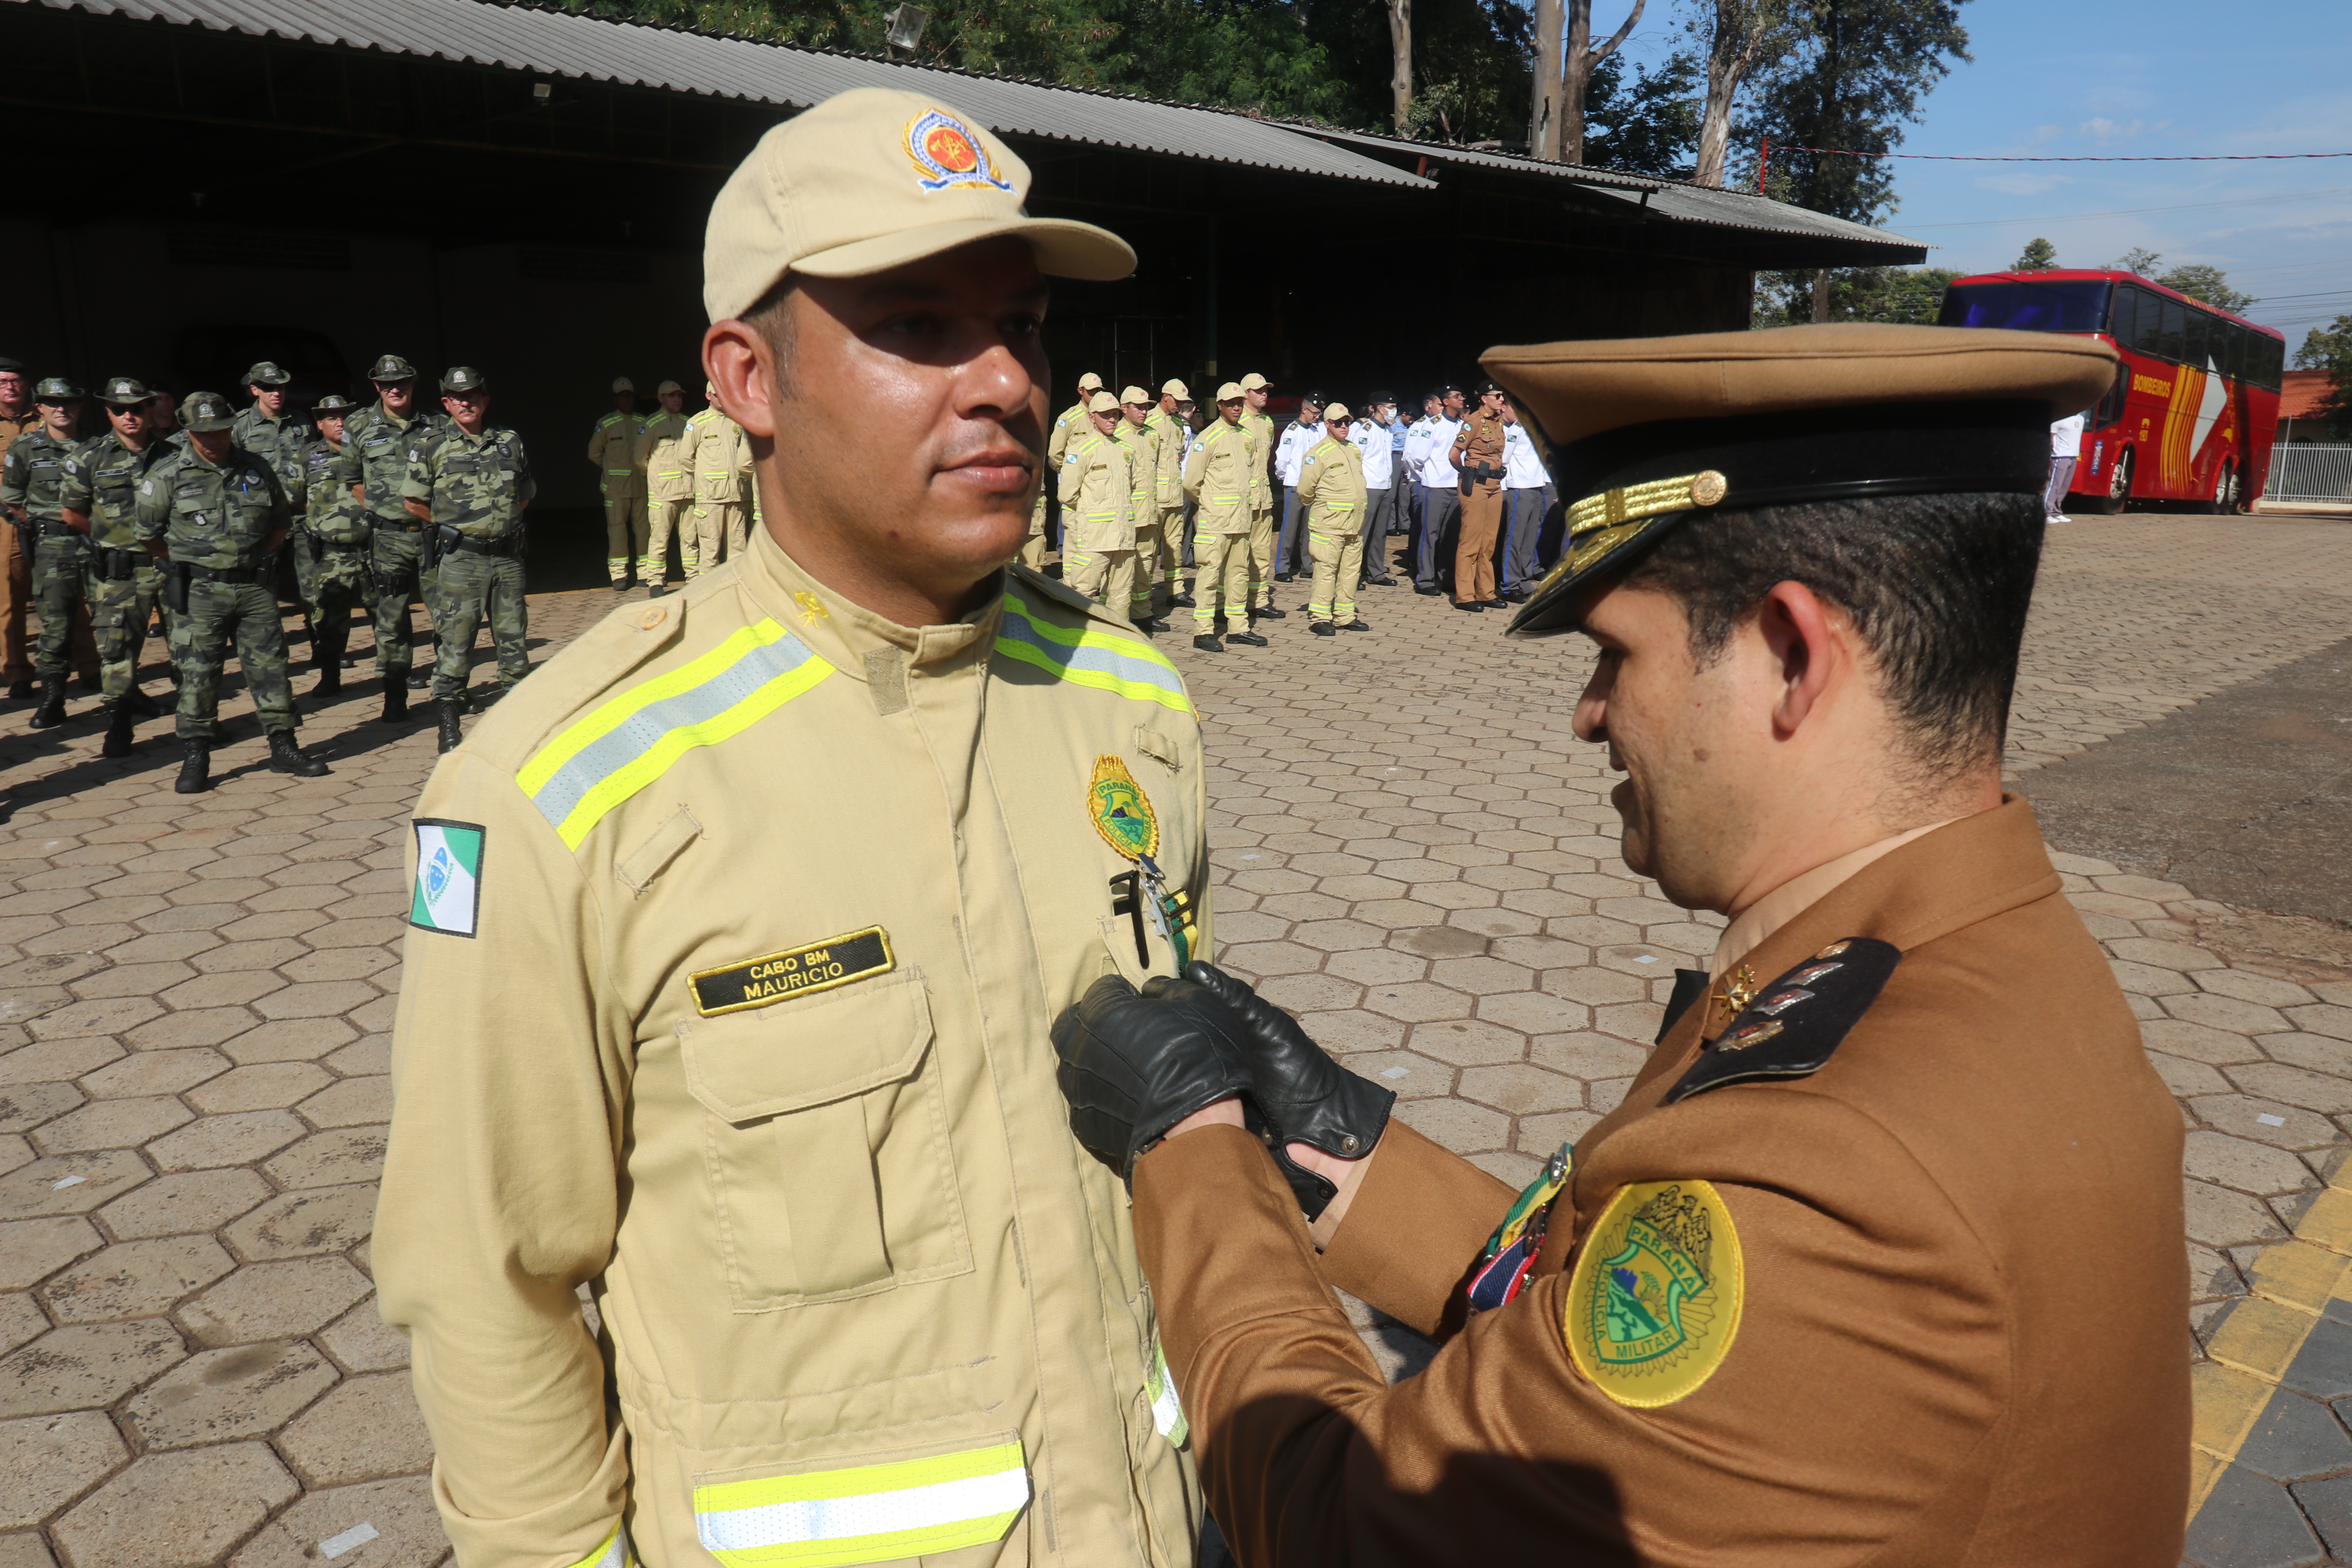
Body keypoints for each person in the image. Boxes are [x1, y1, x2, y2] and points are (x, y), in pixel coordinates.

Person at [1048, 322, 2188, 1567]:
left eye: (1613, 653)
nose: (1588, 716)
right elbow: (1608, 1326)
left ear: (1791, 655)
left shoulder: (1836, 1168)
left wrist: (1191, 1150)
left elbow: (1354, 1529)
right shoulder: (1951, 964)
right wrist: (1347, 1157)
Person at [374, 85, 1209, 1568]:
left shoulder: (1124, 697)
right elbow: (484, 1274)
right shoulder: (562, 792)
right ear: (747, 379)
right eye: (918, 325)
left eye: (1021, 324)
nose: (1007, 381)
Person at [133, 390, 328, 792]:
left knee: (271, 668)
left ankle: (283, 745)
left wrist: (254, 558)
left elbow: (279, 523)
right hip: (200, 590)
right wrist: (189, 562)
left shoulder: (255, 468)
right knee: (199, 674)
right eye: (203, 433)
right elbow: (148, 536)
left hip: (254, 587)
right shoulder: (168, 475)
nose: (213, 439)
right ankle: (196, 754)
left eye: (220, 430)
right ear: (188, 432)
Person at [404, 367, 535, 753]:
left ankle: (521, 724)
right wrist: (455, 526)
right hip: (463, 561)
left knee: (513, 640)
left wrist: (499, 523)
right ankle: (448, 722)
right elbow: (413, 500)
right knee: (457, 641)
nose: (467, 402)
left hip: (508, 559)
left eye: (474, 395)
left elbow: (525, 493)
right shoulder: (431, 445)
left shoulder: (509, 442)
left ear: (485, 400)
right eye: (457, 397)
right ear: (446, 403)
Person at [57, 376, 172, 756]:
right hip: (122, 571)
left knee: (191, 646)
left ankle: (198, 722)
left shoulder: (174, 456)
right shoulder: (89, 458)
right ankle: (120, 726)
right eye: (120, 410)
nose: (129, 416)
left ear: (149, 409)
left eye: (137, 408)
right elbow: (72, 514)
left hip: (171, 567)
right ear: (108, 413)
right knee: (118, 650)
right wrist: (112, 539)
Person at [339, 353, 448, 717]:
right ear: (377, 387)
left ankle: (449, 690)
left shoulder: (437, 423)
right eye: (387, 385)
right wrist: (382, 509)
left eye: (401, 383)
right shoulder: (358, 425)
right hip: (388, 540)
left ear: (413, 384)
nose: (394, 390)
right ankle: (395, 695)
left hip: (434, 536)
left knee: (447, 615)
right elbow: (352, 480)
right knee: (392, 619)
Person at [0, 377, 96, 730]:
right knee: (54, 624)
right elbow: (12, 497)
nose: (62, 408)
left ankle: (119, 691)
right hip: (52, 546)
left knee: (108, 619)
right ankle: (55, 697)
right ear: (39, 407)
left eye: (69, 402)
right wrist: (40, 525)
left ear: (79, 406)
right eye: (53, 403)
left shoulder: (97, 446)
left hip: (93, 543)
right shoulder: (26, 448)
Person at [285, 394, 374, 695]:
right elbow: (294, 498)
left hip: (373, 547)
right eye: (332, 418)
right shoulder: (307, 458)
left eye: (345, 416)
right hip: (332, 553)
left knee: (387, 613)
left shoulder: (370, 452)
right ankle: (331, 676)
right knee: (329, 618)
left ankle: (395, 677)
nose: (340, 422)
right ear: (319, 424)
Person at [1184, 382, 1265, 653]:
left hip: (1241, 521)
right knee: (1208, 577)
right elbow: (1191, 484)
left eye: (1240, 403)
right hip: (1215, 522)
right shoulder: (1207, 438)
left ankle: (1238, 628)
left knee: (1239, 574)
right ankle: (1203, 632)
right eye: (1230, 403)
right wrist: (1211, 504)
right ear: (1219, 406)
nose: (1236, 408)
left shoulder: (1247, 437)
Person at [1061, 388, 1139, 617]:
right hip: (1095, 538)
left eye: (1115, 414)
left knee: (1121, 595)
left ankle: (1119, 645)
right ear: (1092, 417)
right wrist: (1092, 511)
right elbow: (1067, 494)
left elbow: (1131, 488)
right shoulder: (1080, 451)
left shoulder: (1126, 450)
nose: (1112, 419)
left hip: (1124, 539)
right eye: (1105, 415)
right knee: (1083, 593)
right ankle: (1076, 645)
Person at [1294, 401, 1368, 637]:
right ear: (1327, 424)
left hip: (1353, 525)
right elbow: (1305, 490)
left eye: (1347, 422)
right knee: (1326, 572)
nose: (1344, 426)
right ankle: (1320, 617)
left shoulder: (1353, 449)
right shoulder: (1317, 454)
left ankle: (1345, 615)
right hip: (1329, 524)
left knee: (1350, 572)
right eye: (1338, 423)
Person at [677, 381, 753, 574]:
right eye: (717, 394)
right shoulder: (697, 423)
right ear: (708, 396)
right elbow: (686, 458)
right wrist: (705, 479)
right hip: (711, 499)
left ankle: (735, 591)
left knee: (738, 549)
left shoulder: (737, 422)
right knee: (710, 552)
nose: (722, 398)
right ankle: (707, 593)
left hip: (736, 497)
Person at [1029, 370, 1102, 569]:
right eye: (1092, 391)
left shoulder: (1106, 417)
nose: (1095, 395)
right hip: (1076, 486)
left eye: (1098, 391)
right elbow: (1055, 454)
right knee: (1072, 530)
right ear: (1081, 391)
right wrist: (1067, 474)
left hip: (1101, 486)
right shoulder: (1068, 418)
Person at [1448, 380, 1510, 612]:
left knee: (1489, 542)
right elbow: (1454, 454)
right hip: (1477, 485)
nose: (1502, 399)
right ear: (1484, 398)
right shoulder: (1473, 422)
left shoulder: (1498, 422)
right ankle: (1465, 596)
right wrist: (1466, 473)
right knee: (1470, 541)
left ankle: (1486, 592)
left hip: (1495, 484)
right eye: (1497, 396)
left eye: (1502, 396)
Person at [587, 376, 650, 591]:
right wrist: (611, 471)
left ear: (634, 398)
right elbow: (594, 454)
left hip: (641, 488)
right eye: (621, 396)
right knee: (617, 532)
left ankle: (645, 573)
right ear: (615, 399)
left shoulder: (643, 422)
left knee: (644, 531)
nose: (626, 400)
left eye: (629, 396)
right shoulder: (606, 424)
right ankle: (619, 575)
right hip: (616, 490)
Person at [1114, 385, 1165, 627]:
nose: (1144, 412)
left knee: (1146, 565)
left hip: (1149, 513)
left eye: (1147, 407)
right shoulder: (1115, 436)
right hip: (1126, 514)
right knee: (1121, 571)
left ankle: (1143, 614)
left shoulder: (1153, 436)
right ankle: (1118, 618)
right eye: (1139, 407)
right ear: (1124, 409)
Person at [637, 379, 693, 594]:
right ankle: (656, 581)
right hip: (663, 494)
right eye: (672, 396)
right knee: (659, 539)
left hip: (688, 492)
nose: (677, 399)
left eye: (679, 396)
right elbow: (640, 460)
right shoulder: (650, 425)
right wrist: (657, 478)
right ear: (661, 398)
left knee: (690, 539)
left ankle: (693, 577)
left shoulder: (689, 423)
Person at [1498, 399, 1552, 601]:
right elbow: (1504, 457)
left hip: (1537, 486)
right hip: (1520, 487)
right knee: (1515, 538)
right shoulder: (1517, 429)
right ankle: (1509, 584)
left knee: (1529, 539)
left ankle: (1523, 579)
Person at [1238, 372, 1282, 618]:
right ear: (1246, 394)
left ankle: (1259, 600)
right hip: (1241, 499)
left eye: (1266, 390)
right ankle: (1233, 602)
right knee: (1238, 556)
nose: (1264, 394)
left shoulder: (1267, 421)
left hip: (1263, 497)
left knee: (1262, 552)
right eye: (1259, 390)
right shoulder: (1237, 420)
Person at [1149, 379, 1193, 609]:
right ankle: (1143, 596)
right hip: (1155, 498)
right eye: (1177, 400)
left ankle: (1175, 591)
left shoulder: (1179, 424)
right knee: (1148, 551)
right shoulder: (1150, 421)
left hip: (1175, 496)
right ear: (1166, 396)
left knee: (1174, 546)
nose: (1180, 405)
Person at [1272, 391, 1323, 583]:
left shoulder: (1318, 430)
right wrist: (1287, 480)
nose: (1317, 417)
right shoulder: (1292, 431)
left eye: (1319, 413)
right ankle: (1282, 568)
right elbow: (1282, 461)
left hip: (1313, 486)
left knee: (1309, 529)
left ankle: (1307, 566)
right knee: (1289, 528)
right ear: (1304, 410)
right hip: (1294, 485)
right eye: (1315, 413)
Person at [1350, 395, 1399, 588]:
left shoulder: (1388, 430)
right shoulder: (1366, 430)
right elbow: (1357, 458)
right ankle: (1353, 573)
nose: (1394, 410)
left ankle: (1376, 572)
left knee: (1380, 533)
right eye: (1392, 407)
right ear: (1380, 408)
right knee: (1363, 532)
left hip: (1385, 485)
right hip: (1370, 486)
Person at [2046, 407, 2085, 523]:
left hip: (2073, 456)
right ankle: (2046, 513)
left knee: (2064, 487)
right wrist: (2052, 452)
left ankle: (2057, 512)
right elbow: (2051, 438)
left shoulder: (2081, 419)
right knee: (2055, 485)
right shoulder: (2058, 420)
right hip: (2060, 456)